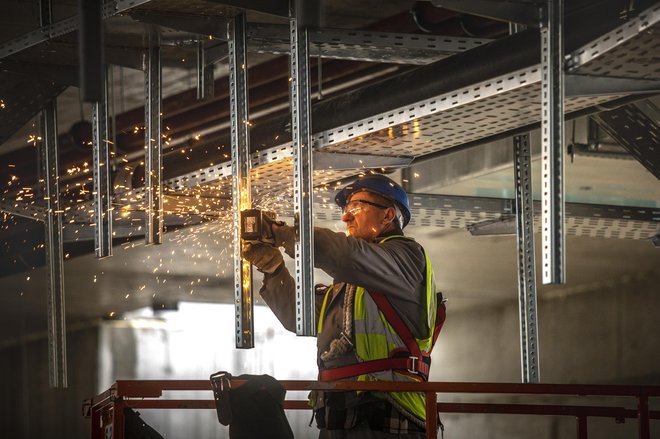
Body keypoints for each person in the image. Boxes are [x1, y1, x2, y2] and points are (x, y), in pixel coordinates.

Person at [243, 174, 442, 438]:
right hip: (340, 414)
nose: (346, 218)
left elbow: (345, 254)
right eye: (345, 210)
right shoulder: (351, 284)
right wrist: (273, 269)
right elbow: (299, 318)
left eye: (356, 208)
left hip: (389, 412)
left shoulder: (406, 257)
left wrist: (282, 233)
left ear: (387, 216)